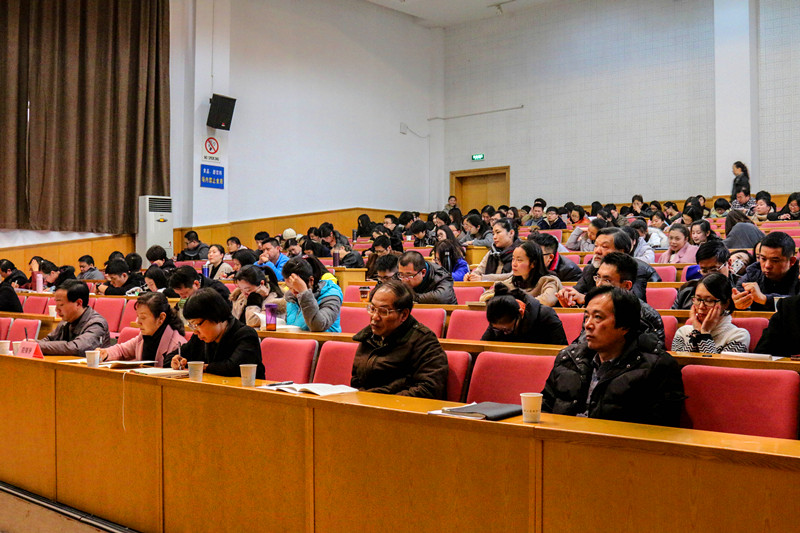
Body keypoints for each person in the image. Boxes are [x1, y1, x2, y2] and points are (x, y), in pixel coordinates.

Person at [542, 286, 685, 427]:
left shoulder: (657, 368)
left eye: (598, 317)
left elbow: (661, 429)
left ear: (624, 326)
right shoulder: (569, 358)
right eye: (586, 317)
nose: (588, 325)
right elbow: (544, 409)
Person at [350, 280, 448, 399]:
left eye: (383, 311)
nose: (375, 317)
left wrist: (378, 399)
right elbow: (356, 380)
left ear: (404, 315)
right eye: (372, 308)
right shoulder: (368, 336)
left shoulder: (424, 341)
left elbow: (429, 389)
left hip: (398, 406)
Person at [165, 288, 265, 379]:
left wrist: (201, 367)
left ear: (215, 315)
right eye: (191, 325)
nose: (195, 331)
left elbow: (233, 367)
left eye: (197, 324)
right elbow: (169, 358)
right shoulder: (199, 338)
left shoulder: (246, 335)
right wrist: (176, 361)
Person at [558, 228, 653, 305]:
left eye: (604, 247)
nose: (597, 251)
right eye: (596, 246)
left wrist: (587, 299)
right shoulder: (591, 269)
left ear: (621, 251)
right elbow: (577, 293)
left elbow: (633, 302)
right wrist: (568, 297)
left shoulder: (638, 269)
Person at [99, 292, 187, 367]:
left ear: (161, 318)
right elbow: (122, 350)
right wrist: (105, 353)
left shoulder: (176, 345)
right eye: (138, 316)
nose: (138, 322)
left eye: (143, 318)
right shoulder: (144, 336)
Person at [671, 273, 750, 354]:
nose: (701, 306)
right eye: (698, 299)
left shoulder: (739, 336)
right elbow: (679, 361)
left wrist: (705, 333)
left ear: (726, 304)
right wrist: (697, 333)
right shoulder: (682, 332)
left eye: (709, 301)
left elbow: (713, 362)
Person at [37, 280, 112, 356]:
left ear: (78, 303)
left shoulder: (96, 324)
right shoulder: (66, 320)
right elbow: (49, 340)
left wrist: (37, 345)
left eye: (61, 305)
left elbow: (77, 347)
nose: (57, 310)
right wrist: (33, 344)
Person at [479, 241, 562, 306]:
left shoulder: (549, 280)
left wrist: (513, 302)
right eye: (513, 259)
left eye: (519, 260)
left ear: (533, 263)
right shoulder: (512, 281)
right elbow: (484, 297)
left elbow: (548, 300)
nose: (514, 264)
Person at [733, 231, 800, 311]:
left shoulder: (798, 274)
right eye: (763, 259)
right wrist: (738, 304)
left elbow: (797, 303)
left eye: (775, 261)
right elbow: (738, 301)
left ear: (792, 261)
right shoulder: (752, 273)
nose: (767, 265)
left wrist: (765, 299)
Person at [481, 284, 567, 344]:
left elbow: (560, 352)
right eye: (497, 330)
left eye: (508, 330)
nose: (504, 333)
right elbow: (484, 346)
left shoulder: (547, 316)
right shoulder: (498, 317)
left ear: (521, 313)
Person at [283, 256, 343, 332]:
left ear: (311, 280)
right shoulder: (291, 297)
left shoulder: (331, 295)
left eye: (297, 287)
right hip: (298, 338)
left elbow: (317, 326)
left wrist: (304, 292)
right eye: (290, 287)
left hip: (325, 339)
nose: (293, 292)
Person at [672, 240, 731, 310]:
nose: (709, 275)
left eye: (714, 270)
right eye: (704, 271)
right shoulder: (687, 290)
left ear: (729, 264)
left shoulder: (739, 290)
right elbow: (673, 314)